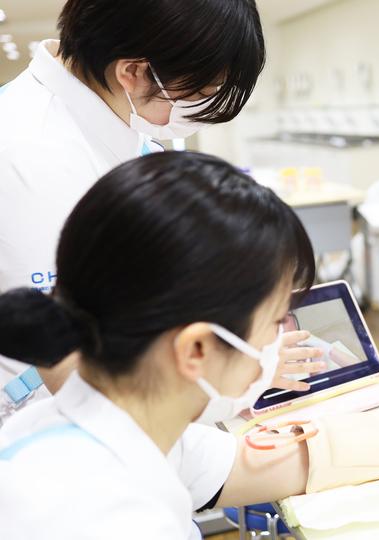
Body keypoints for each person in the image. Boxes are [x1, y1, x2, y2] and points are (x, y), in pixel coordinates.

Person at [0, 153, 325, 537]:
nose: (277, 341)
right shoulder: (115, 519)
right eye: (274, 323)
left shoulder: (71, 425)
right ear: (196, 350)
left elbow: (241, 461)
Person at [0, 0, 279, 411]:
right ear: (131, 72)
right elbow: (63, 368)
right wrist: (238, 378)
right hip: (47, 426)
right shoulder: (28, 152)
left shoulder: (115, 123)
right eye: (199, 92)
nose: (200, 108)